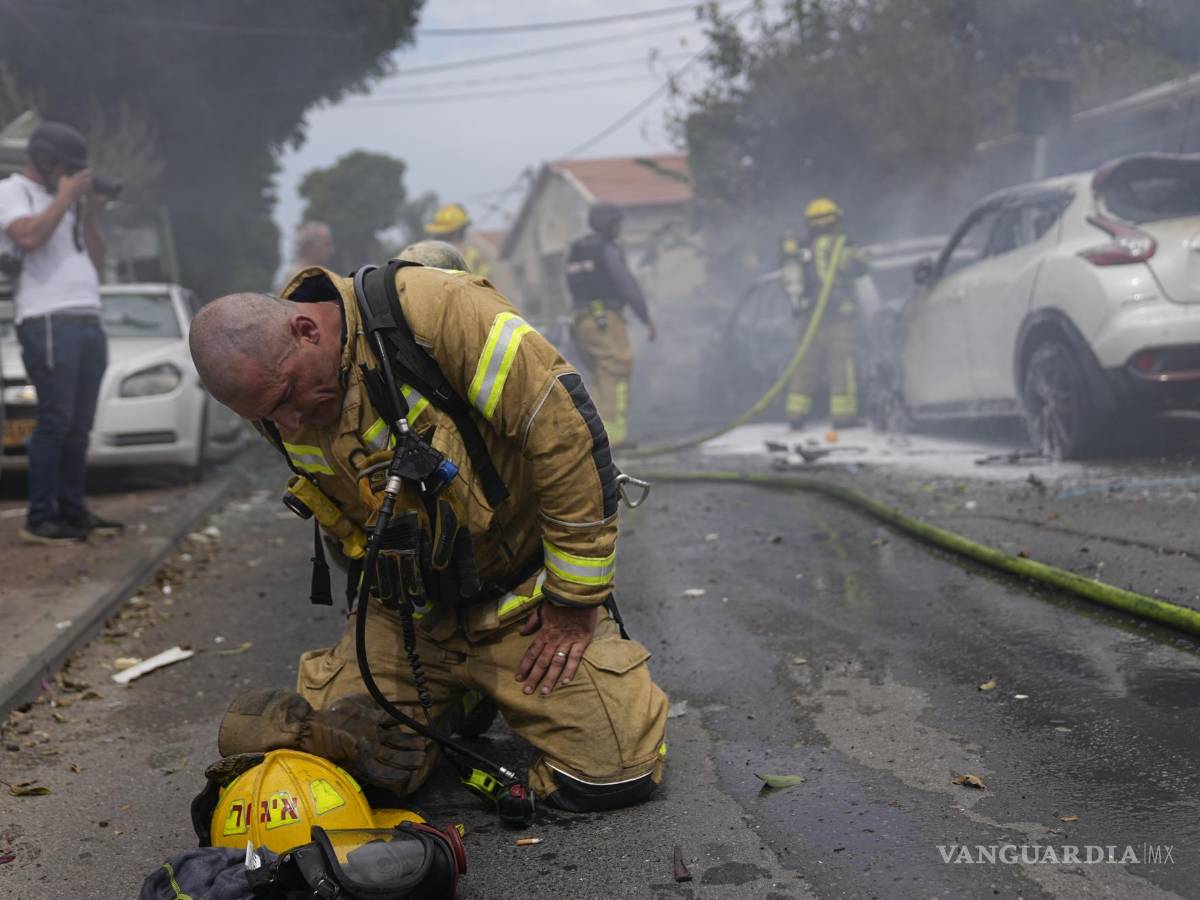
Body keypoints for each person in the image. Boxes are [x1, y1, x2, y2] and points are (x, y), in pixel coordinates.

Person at [189, 262, 669, 812]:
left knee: (613, 773)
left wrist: (572, 600)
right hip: (409, 615)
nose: (291, 424)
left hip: (521, 601)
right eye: (270, 415)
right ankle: (453, 696)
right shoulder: (277, 395)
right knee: (340, 775)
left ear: (306, 330)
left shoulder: (436, 310)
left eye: (288, 395)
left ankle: (474, 691)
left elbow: (564, 434)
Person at [0, 121, 123, 544]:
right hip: (47, 320)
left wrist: (87, 212)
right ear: (45, 160)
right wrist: (67, 197)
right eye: (66, 167)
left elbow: (98, 257)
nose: (70, 175)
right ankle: (39, 517)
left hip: (88, 318)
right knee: (54, 419)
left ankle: (73, 509)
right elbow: (28, 236)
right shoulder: (12, 190)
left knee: (79, 425)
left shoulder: (67, 202)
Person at [565, 203, 655, 448]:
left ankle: (595, 434)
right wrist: (645, 317)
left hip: (582, 321)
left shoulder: (577, 249)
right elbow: (626, 284)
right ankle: (614, 437)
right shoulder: (605, 249)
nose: (619, 228)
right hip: (604, 319)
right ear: (608, 224)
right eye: (617, 223)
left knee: (601, 375)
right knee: (617, 368)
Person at [785, 197, 869, 430]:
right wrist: (860, 255)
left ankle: (795, 415)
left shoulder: (802, 250)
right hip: (838, 319)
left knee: (805, 367)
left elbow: (791, 284)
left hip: (809, 319)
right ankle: (844, 418)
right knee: (841, 366)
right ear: (835, 220)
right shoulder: (838, 246)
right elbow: (858, 268)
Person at [422, 202, 493, 279]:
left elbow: (486, 283)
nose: (441, 239)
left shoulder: (477, 254)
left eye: (446, 235)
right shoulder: (427, 255)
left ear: (459, 232)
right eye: (439, 235)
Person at [277, 221, 335, 292]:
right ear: (310, 247)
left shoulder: (320, 275)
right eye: (326, 244)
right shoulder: (296, 277)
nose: (332, 250)